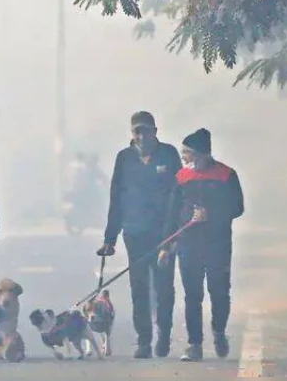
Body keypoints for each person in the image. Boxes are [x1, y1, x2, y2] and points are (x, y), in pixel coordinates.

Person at [97, 111, 182, 359]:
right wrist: (109, 238)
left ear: (155, 130)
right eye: (137, 131)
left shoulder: (169, 154)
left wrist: (173, 234)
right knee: (139, 287)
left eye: (146, 130)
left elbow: (177, 196)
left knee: (164, 287)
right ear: (132, 133)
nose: (141, 135)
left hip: (164, 234)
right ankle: (144, 340)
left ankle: (164, 335)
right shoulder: (124, 158)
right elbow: (116, 198)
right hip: (134, 233)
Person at [158, 128, 244, 362]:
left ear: (201, 154)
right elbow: (172, 213)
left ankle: (218, 331)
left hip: (217, 243)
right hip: (188, 244)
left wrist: (212, 214)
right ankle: (194, 344)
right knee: (192, 295)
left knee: (219, 291)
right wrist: (166, 246)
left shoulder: (227, 175)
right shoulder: (181, 177)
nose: (183, 157)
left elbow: (238, 207)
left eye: (186, 152)